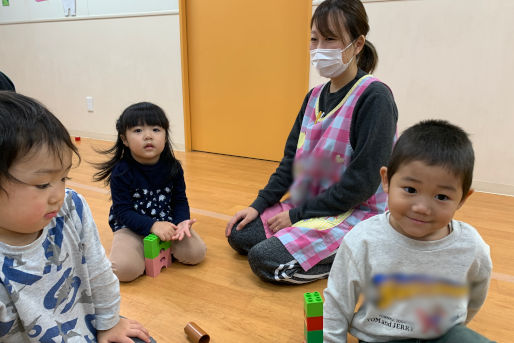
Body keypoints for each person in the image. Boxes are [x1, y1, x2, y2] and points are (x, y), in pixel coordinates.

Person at [225, 0, 398, 284]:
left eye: (330, 39)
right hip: (312, 204)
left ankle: (347, 258)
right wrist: (258, 204)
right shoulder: (314, 96)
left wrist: (295, 216)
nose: (319, 48)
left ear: (357, 44)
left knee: (264, 260)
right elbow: (290, 163)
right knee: (240, 234)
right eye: (314, 39)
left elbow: (363, 184)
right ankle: (312, 243)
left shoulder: (374, 97)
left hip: (354, 210)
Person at [0, 91, 152, 342]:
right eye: (42, 184)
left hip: (89, 329)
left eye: (63, 178)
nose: (58, 194)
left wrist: (109, 322)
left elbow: (99, 270)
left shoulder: (71, 206)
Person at [323, 120, 494, 343]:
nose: (422, 208)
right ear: (386, 180)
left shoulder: (471, 246)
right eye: (410, 190)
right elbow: (338, 302)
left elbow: (475, 296)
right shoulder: (363, 239)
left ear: (462, 198)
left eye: (441, 197)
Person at [94, 102, 206, 282]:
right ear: (124, 139)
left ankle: (159, 248)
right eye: (138, 131)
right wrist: (152, 226)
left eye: (155, 130)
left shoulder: (173, 167)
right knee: (124, 270)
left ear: (165, 134)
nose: (148, 136)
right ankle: (143, 251)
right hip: (131, 227)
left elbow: (179, 200)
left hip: (167, 224)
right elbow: (123, 212)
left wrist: (182, 222)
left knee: (197, 253)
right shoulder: (121, 171)